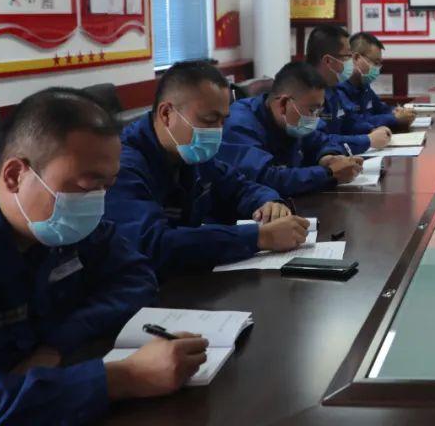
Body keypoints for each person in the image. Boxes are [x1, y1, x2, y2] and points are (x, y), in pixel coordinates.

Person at [0, 88, 208, 423]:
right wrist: (123, 378)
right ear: (15, 175)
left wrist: (57, 344)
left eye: (107, 186)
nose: (97, 201)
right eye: (87, 186)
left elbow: (136, 277)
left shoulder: (57, 218)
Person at [106, 61, 310, 279]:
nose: (218, 132)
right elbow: (153, 244)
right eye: (210, 120)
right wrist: (259, 237)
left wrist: (269, 202)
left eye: (223, 121)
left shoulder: (189, 151)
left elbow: (237, 186)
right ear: (166, 114)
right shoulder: (120, 167)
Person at [219, 60, 363, 196]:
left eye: (319, 110)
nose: (315, 117)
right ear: (283, 104)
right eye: (312, 110)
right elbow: (266, 179)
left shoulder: (294, 119)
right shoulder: (239, 125)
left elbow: (320, 140)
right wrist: (329, 173)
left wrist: (328, 157)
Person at [303, 24, 392, 156]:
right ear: (328, 61)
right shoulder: (303, 93)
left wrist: (373, 130)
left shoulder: (331, 88)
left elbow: (349, 122)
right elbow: (320, 140)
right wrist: (367, 140)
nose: (352, 62)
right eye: (348, 56)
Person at [329, 32, 415, 133]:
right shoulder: (338, 89)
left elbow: (381, 108)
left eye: (379, 64)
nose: (377, 68)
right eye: (375, 62)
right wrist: (394, 118)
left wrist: (397, 111)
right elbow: (355, 123)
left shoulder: (364, 87)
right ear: (356, 58)